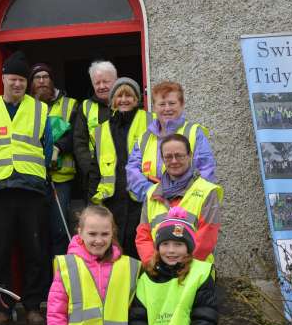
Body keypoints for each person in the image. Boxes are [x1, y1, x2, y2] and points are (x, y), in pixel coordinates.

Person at [0, 50, 52, 325]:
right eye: (13, 78)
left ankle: (33, 306)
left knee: (35, 250)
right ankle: (3, 309)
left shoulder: (40, 110)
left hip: (32, 190)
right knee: (1, 251)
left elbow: (47, 148)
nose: (17, 84)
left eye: (22, 79)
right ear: (3, 79)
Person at [89, 77, 153, 257]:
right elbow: (95, 169)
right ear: (112, 100)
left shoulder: (151, 122)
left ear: (137, 99)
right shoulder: (101, 130)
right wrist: (92, 202)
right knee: (114, 252)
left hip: (141, 199)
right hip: (113, 200)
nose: (124, 100)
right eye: (119, 96)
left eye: (129, 95)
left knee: (141, 249)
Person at [136, 133, 222, 265]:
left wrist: (180, 268)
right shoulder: (152, 193)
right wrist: (155, 266)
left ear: (190, 155)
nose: (174, 161)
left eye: (179, 155)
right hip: (159, 271)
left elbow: (206, 239)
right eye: (168, 157)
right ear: (162, 159)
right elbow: (143, 237)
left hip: (194, 271)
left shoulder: (207, 191)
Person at [126, 81, 216, 203]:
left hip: (187, 204)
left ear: (182, 105)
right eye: (162, 104)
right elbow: (132, 170)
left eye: (172, 103)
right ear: (154, 107)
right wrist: (151, 192)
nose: (167, 108)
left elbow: (206, 170)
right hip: (153, 204)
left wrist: (187, 198)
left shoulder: (194, 132)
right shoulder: (144, 137)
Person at [28, 62, 79, 257]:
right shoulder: (25, 107)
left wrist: (58, 147)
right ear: (31, 83)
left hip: (61, 179)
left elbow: (76, 135)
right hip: (32, 178)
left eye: (45, 77)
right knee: (36, 234)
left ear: (52, 80)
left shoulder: (70, 104)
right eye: (37, 77)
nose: (42, 81)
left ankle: (60, 273)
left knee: (60, 231)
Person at [73, 60, 117, 201]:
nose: (101, 86)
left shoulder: (126, 103)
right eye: (97, 83)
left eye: (106, 82)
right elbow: (79, 142)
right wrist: (90, 170)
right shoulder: (85, 107)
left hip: (124, 175)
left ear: (115, 81)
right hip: (95, 179)